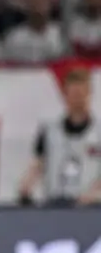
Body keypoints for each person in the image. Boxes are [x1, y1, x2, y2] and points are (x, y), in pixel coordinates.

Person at [19, 68, 101, 206]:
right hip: (56, 206)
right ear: (65, 95)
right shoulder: (49, 132)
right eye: (74, 94)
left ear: (89, 94)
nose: (77, 99)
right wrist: (26, 187)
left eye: (81, 93)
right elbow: (37, 164)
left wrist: (94, 194)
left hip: (90, 207)